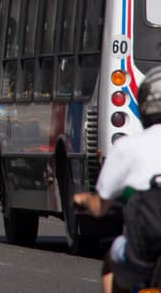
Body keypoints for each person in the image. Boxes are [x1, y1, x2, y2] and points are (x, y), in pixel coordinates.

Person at [74, 67, 161, 293]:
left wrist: (82, 200)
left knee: (110, 262)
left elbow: (99, 207)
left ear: (143, 107)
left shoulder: (127, 146)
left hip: (143, 251)